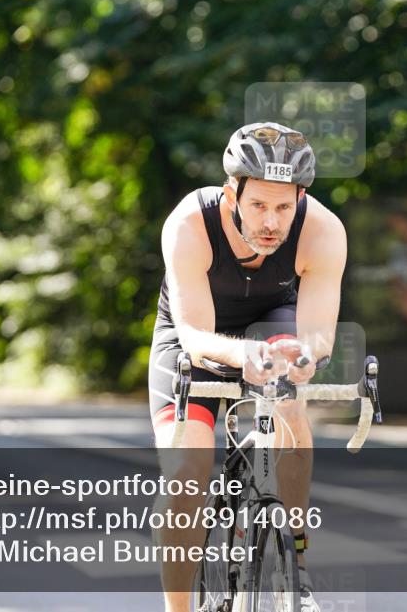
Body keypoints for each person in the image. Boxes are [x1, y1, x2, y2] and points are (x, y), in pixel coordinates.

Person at [149, 121, 347, 612]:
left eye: (284, 207)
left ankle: (294, 569)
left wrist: (304, 360)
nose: (271, 223)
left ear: (300, 198)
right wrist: (243, 356)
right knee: (187, 476)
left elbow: (317, 333)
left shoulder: (322, 230)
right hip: (192, 334)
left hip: (270, 324)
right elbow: (194, 339)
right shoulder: (189, 225)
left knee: (290, 409)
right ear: (230, 193)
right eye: (258, 205)